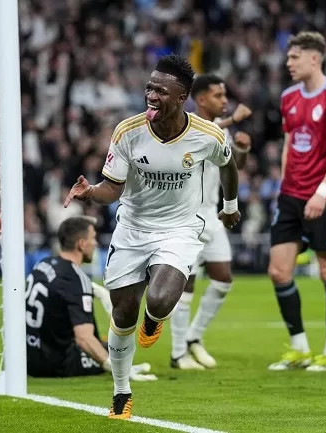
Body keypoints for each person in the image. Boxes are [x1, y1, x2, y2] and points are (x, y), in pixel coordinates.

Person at [64, 54, 240, 420]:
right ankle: (121, 391)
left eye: (160, 91)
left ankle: (155, 319)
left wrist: (230, 205)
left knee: (158, 300)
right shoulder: (128, 132)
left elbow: (229, 165)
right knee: (123, 313)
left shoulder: (207, 135)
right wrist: (91, 191)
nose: (151, 96)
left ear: (182, 98)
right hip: (132, 228)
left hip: (180, 229)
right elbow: (112, 187)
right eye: (149, 88)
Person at [268, 31, 326, 372]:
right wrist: (283, 185)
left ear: (314, 58)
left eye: (295, 57)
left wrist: (322, 191)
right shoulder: (288, 97)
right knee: (278, 271)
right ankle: (300, 348)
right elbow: (289, 144)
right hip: (290, 196)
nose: (288, 63)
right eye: (288, 57)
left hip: (324, 197)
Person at [170, 74, 253, 370]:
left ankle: (194, 337)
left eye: (225, 95)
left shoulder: (221, 130)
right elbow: (203, 134)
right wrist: (232, 121)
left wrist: (242, 148)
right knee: (186, 287)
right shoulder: (184, 124)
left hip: (212, 215)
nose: (225, 100)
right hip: (186, 218)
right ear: (202, 98)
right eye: (219, 95)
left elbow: (233, 166)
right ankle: (178, 354)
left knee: (223, 279)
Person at [25, 216, 157, 381]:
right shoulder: (76, 280)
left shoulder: (44, 264)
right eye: (93, 238)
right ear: (81, 244)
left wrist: (96, 290)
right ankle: (125, 369)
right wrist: (120, 372)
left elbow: (60, 289)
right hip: (56, 363)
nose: (95, 244)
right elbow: (84, 339)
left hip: (27, 356)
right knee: (115, 350)